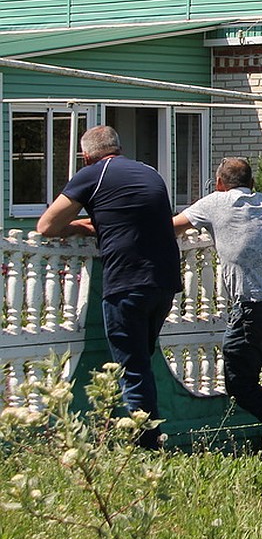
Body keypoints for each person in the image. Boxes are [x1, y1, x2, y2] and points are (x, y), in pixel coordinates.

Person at [37, 125, 182, 450]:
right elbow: (135, 218)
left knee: (133, 369)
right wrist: (98, 224)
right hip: (164, 281)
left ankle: (145, 446)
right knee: (141, 360)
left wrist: (78, 227)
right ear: (118, 148)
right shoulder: (149, 172)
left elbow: (46, 225)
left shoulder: (91, 175)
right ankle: (147, 432)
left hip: (127, 282)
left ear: (87, 156)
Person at [172, 158, 262, 459]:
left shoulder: (215, 203)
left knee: (238, 382)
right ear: (252, 185)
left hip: (254, 307)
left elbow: (173, 227)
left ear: (220, 184)